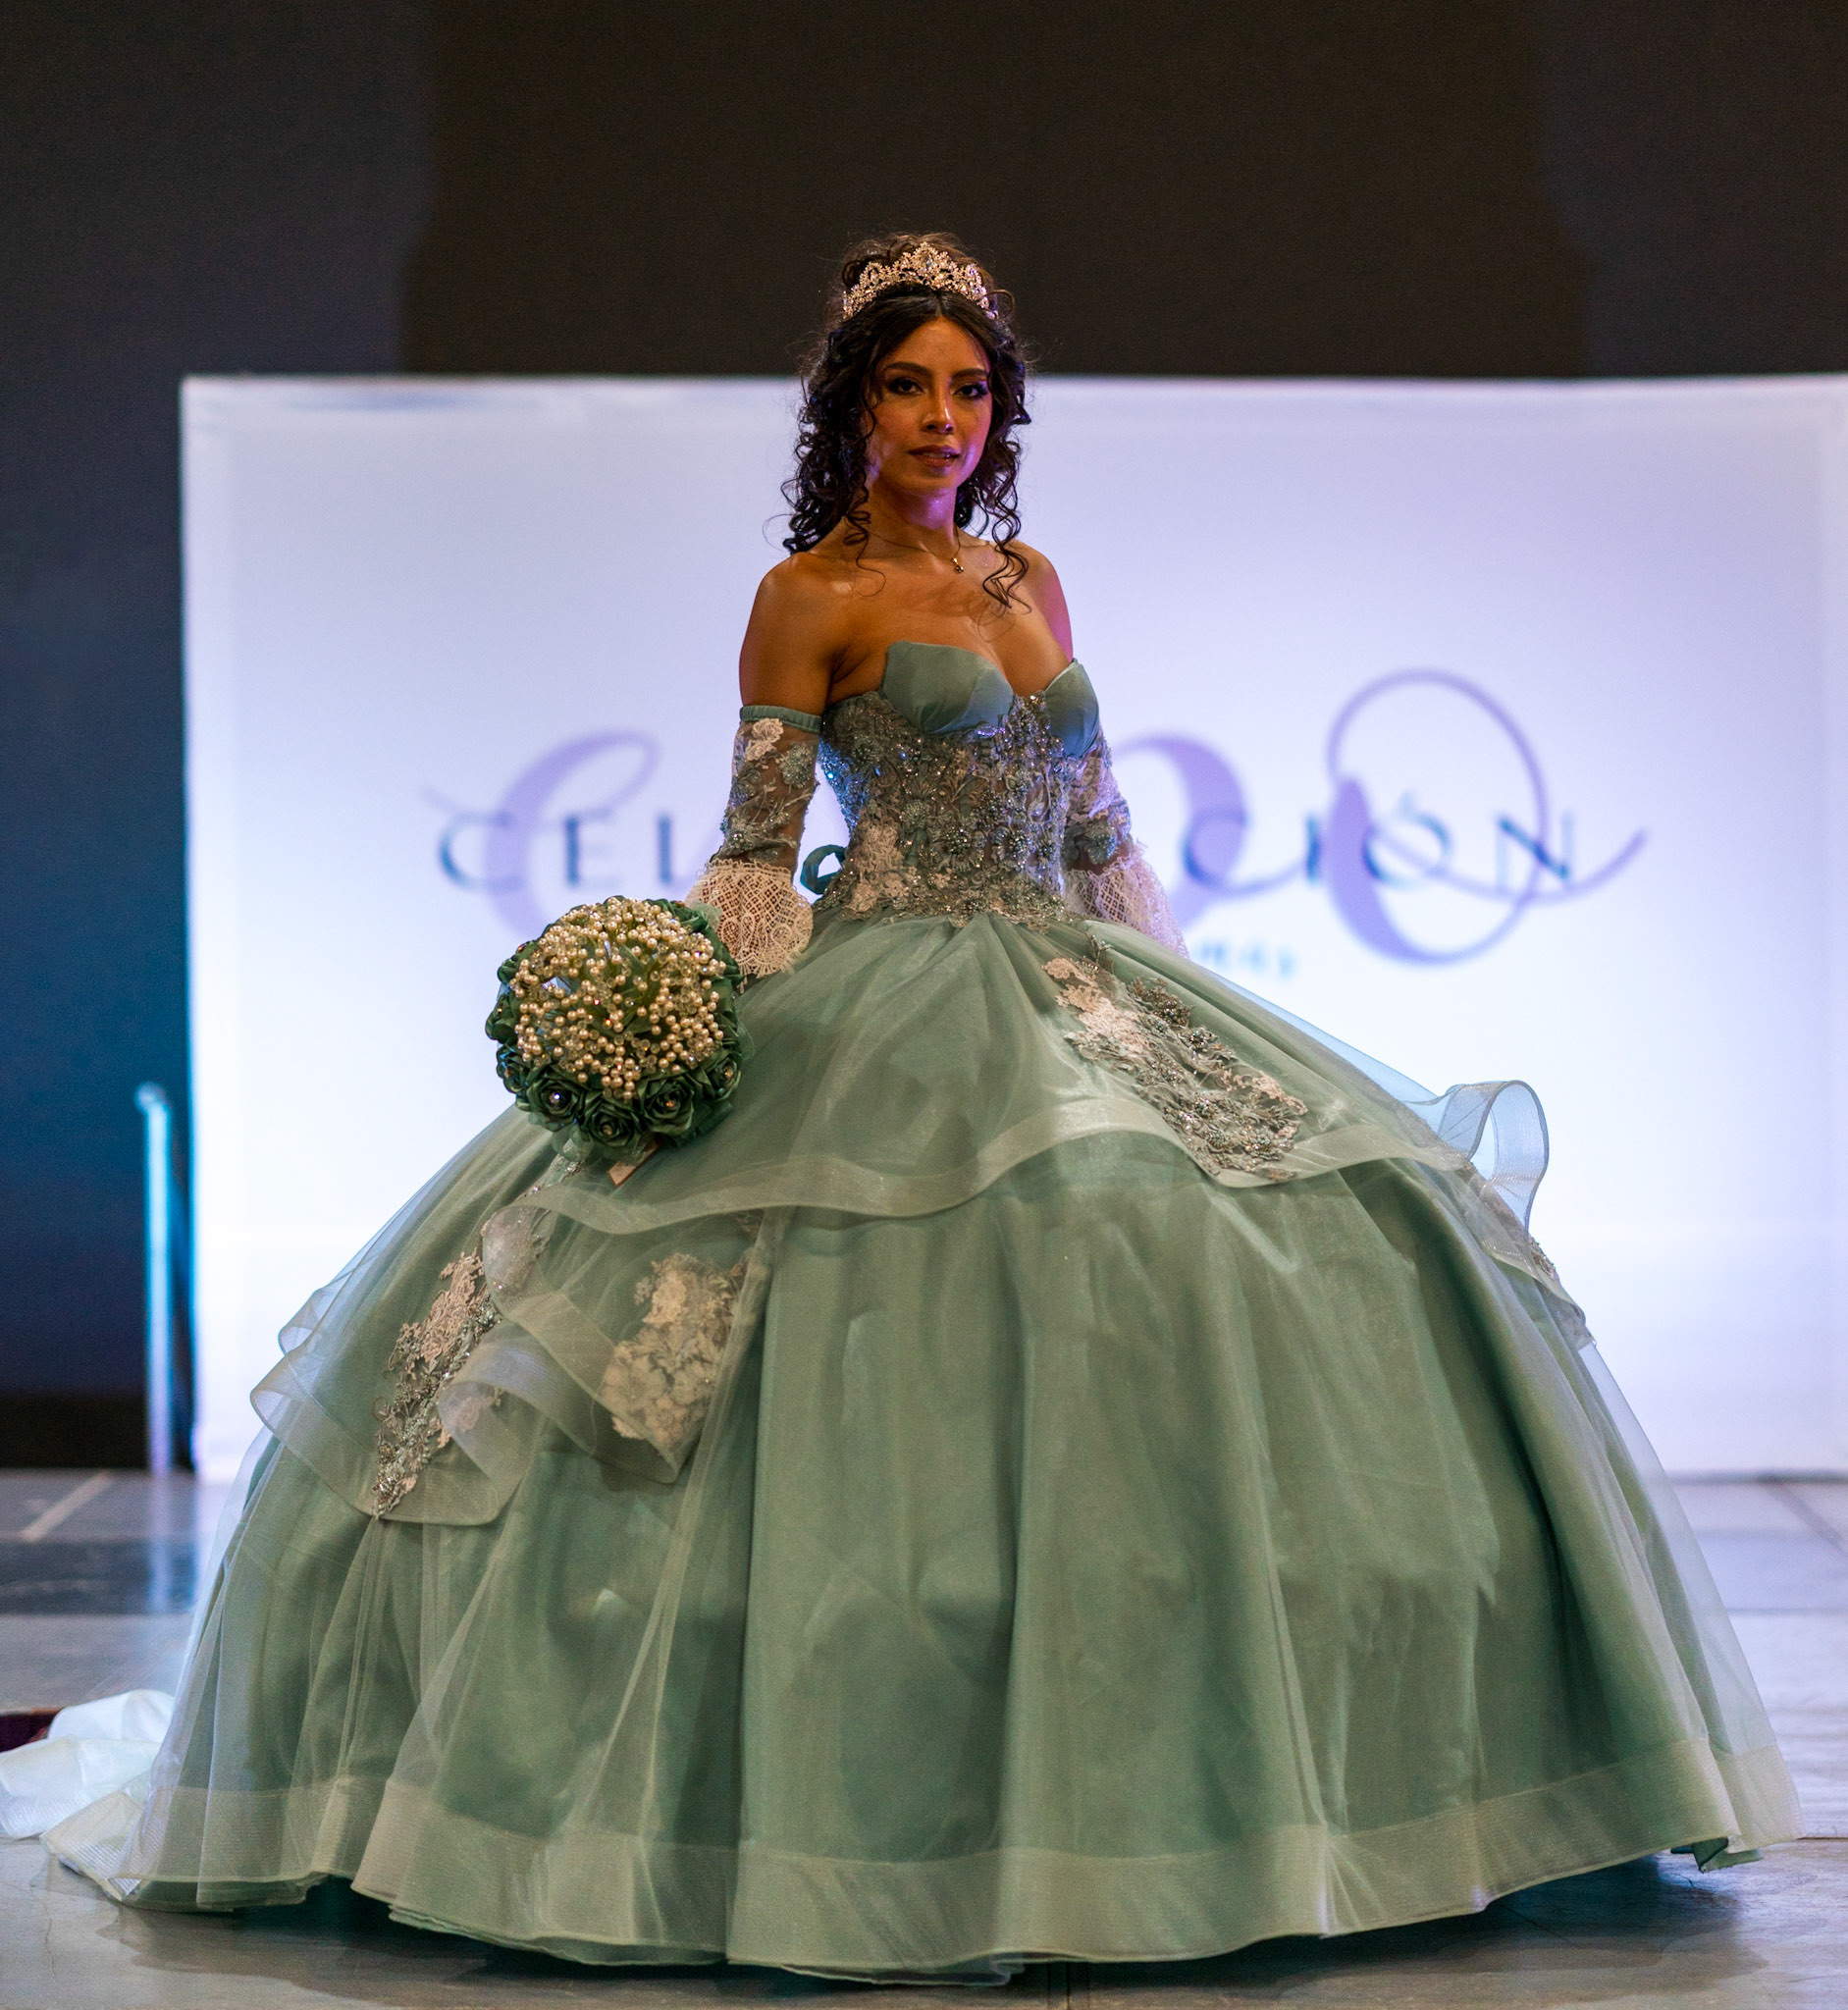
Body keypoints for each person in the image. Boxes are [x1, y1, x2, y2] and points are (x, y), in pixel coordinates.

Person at [26, 233, 1798, 1978]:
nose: (942, 418)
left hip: (1078, 976)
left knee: (1301, 1211)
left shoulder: (1032, 583)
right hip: (885, 979)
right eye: (907, 386)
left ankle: (1284, 1773)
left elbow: (1095, 826)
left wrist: (1172, 993)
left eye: (969, 389)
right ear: (853, 406)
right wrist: (690, 1028)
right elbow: (753, 853)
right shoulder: (809, 596)